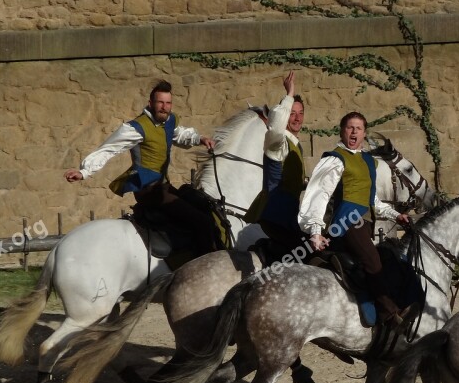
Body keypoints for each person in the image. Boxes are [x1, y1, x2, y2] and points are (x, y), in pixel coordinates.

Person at [64, 80, 222, 254]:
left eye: (168, 103)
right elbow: (109, 149)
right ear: (150, 103)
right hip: (147, 190)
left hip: (163, 187)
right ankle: (205, 262)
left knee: (202, 205)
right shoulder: (135, 128)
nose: (164, 107)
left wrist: (199, 138)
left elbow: (179, 134)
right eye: (160, 102)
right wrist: (84, 171)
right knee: (201, 221)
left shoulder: (170, 121)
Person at [298, 111, 414, 330]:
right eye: (349, 127)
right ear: (342, 131)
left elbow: (373, 199)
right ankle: (390, 315)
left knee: (387, 258)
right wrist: (315, 230)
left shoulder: (367, 160)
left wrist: (395, 215)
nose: (353, 132)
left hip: (365, 223)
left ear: (364, 133)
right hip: (347, 223)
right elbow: (319, 194)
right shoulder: (335, 158)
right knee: (374, 262)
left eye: (358, 128)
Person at [244, 71, 307, 261]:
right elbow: (276, 126)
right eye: (292, 114)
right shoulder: (277, 142)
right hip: (275, 214)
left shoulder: (296, 145)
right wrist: (288, 95)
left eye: (300, 113)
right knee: (303, 254)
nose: (297, 118)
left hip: (288, 216)